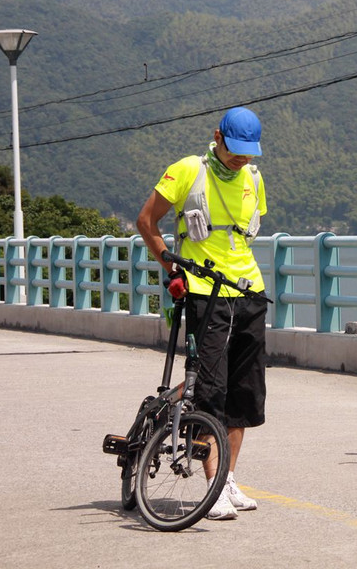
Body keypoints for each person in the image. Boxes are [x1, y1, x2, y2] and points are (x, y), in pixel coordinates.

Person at [136, 106, 270, 519]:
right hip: (203, 292)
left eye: (249, 153)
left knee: (245, 393)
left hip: (249, 291)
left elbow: (243, 238)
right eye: (235, 150)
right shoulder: (187, 170)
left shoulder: (253, 179)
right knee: (211, 388)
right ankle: (213, 485)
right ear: (217, 137)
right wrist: (169, 264)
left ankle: (227, 477)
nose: (242, 159)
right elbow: (147, 221)